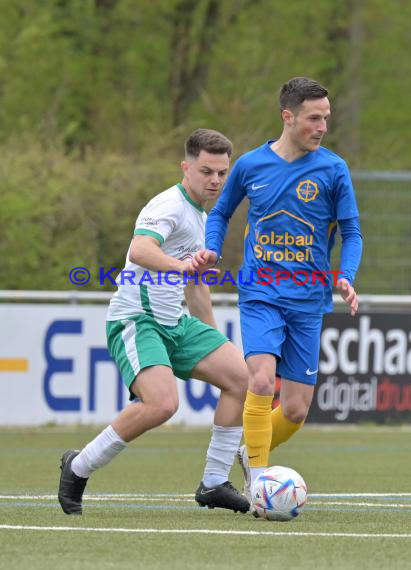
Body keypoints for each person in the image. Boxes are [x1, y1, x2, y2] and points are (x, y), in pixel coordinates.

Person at [58, 128, 250, 515]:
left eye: (222, 173)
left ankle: (213, 482)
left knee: (240, 377)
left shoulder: (202, 216)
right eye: (206, 171)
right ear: (186, 167)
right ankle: (78, 466)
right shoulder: (169, 206)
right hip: (137, 320)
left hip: (175, 323)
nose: (214, 180)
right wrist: (180, 266)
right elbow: (141, 249)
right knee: (163, 405)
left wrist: (213, 340)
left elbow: (196, 285)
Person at [192, 77, 363, 500]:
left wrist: (347, 274)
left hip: (308, 299)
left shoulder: (333, 169)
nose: (322, 126)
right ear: (288, 117)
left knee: (296, 409)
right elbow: (220, 214)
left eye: (326, 118)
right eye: (313, 118)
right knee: (262, 379)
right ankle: (259, 484)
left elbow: (351, 231)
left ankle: (252, 453)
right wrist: (212, 250)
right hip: (260, 293)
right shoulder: (251, 165)